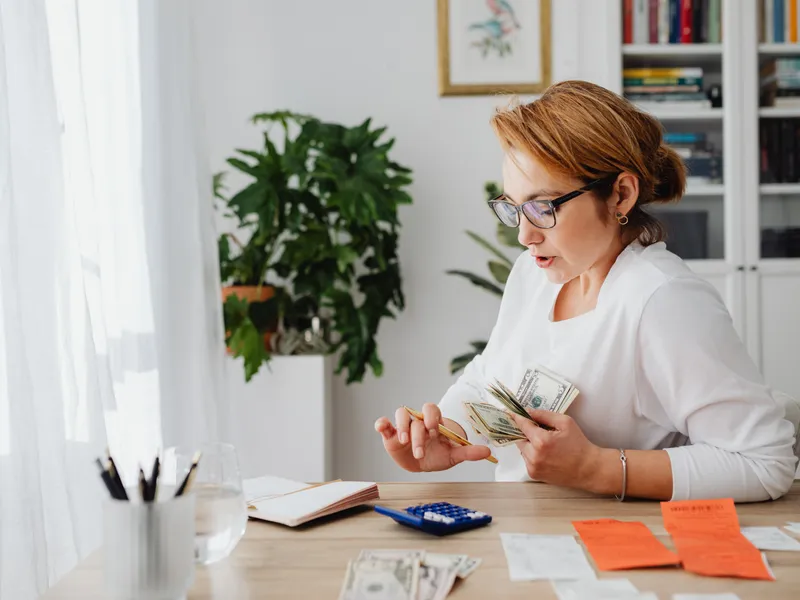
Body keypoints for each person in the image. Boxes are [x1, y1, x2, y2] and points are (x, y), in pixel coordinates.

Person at [374, 80, 800, 503]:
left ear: (621, 194)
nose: (524, 234)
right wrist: (448, 430)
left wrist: (596, 468)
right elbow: (489, 375)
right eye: (513, 208)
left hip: (616, 548)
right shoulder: (533, 275)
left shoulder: (663, 300)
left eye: (543, 208)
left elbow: (764, 463)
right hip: (525, 530)